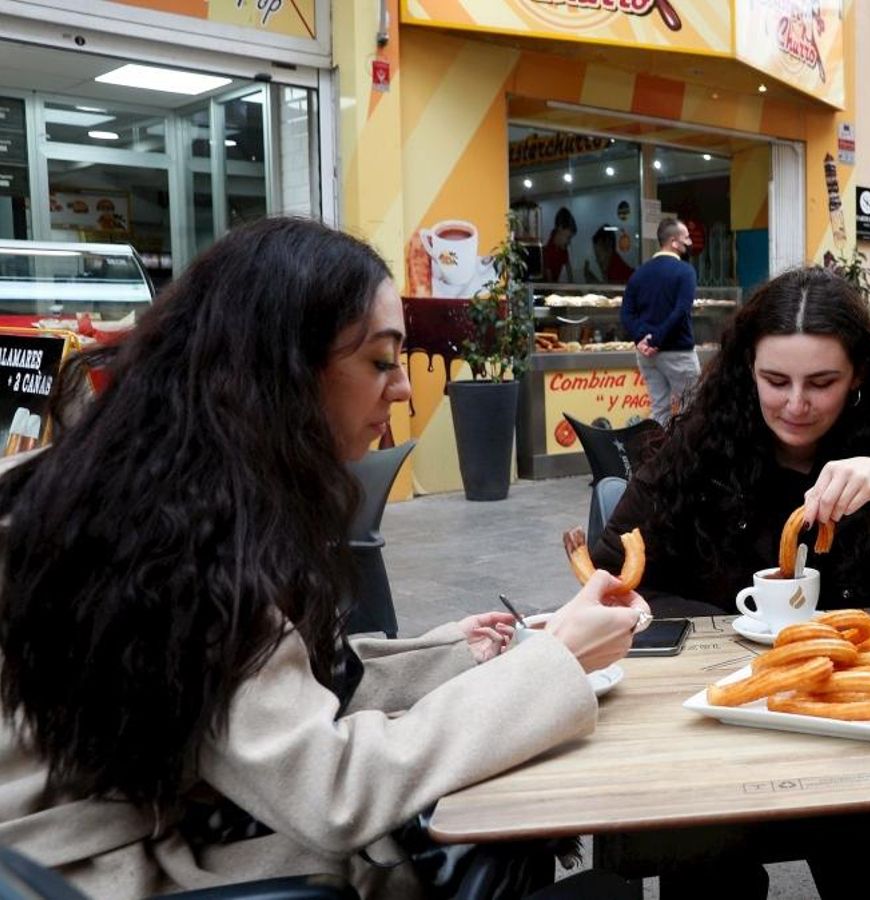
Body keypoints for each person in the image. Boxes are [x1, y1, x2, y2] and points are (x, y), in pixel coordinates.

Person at [0, 218, 648, 898]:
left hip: (160, 829)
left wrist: (459, 655)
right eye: (379, 360)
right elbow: (328, 789)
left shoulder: (152, 487)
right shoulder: (168, 538)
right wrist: (558, 661)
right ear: (280, 368)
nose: (401, 389)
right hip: (118, 877)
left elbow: (255, 689)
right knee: (521, 845)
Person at [591, 266, 870, 898]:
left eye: (822, 382)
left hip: (862, 736)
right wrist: (730, 632)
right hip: (724, 732)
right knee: (702, 866)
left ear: (858, 375)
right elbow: (615, 567)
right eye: (775, 380)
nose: (796, 404)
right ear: (745, 370)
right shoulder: (703, 446)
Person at [621, 218, 700, 424]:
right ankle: (686, 455)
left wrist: (642, 339)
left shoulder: (638, 274)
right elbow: (681, 311)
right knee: (691, 411)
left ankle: (660, 454)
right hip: (678, 353)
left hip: (646, 355)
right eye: (686, 238)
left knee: (659, 410)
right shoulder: (686, 272)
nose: (689, 242)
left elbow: (626, 313)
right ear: (674, 242)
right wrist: (656, 339)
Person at [542, 206, 576, 283]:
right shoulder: (547, 251)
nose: (569, 242)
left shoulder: (563, 249)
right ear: (560, 228)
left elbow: (570, 274)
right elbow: (550, 286)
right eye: (568, 237)